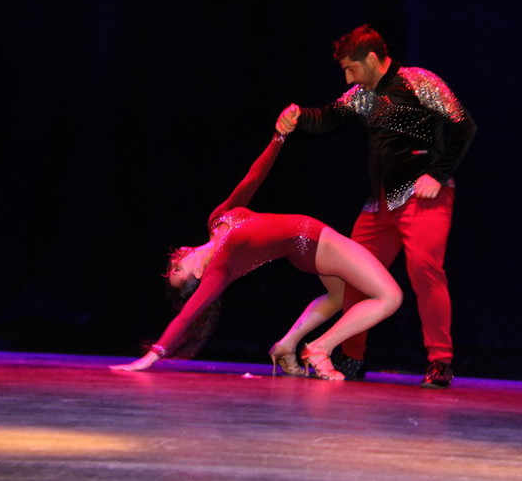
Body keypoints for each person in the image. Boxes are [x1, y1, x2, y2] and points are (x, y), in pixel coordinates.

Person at [110, 117, 403, 380]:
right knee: (390, 297)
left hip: (307, 248)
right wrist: (152, 356)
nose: (174, 260)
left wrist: (278, 138)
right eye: (177, 269)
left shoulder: (216, 220)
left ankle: (287, 344)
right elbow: (187, 315)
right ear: (198, 273)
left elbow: (253, 178)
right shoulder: (220, 268)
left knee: (337, 297)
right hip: (316, 241)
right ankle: (320, 347)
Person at [275, 24, 477, 388]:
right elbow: (327, 117)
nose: (349, 78)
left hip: (423, 197)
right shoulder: (363, 95)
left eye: (351, 69)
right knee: (355, 274)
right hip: (379, 204)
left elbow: (464, 126)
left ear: (370, 59)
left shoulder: (419, 81)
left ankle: (440, 361)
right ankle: (352, 357)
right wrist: (298, 115)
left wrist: (436, 174)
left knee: (424, 270)